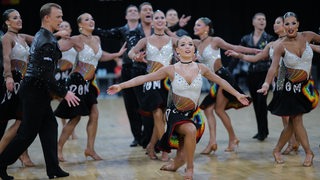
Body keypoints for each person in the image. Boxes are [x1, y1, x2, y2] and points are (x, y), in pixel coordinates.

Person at [107, 35, 250, 180]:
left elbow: (221, 81)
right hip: (175, 113)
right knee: (190, 130)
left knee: (181, 156)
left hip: (194, 115)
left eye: (190, 44)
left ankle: (174, 165)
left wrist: (238, 94)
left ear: (194, 50)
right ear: (177, 51)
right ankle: (190, 169)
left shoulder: (202, 69)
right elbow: (144, 78)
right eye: (183, 44)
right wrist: (120, 85)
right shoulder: (170, 69)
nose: (187, 46)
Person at [0, 3, 80, 180]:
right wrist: (64, 92)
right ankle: (1, 163)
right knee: (27, 134)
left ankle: (53, 169)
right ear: (47, 18)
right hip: (34, 89)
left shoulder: (44, 35)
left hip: (38, 89)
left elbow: (48, 65)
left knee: (50, 127)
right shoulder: (45, 39)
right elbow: (45, 73)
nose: (61, 20)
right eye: (58, 17)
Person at [54, 12, 126, 162]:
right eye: (87, 19)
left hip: (89, 83)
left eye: (92, 18)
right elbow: (55, 47)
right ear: (80, 25)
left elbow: (100, 56)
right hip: (76, 82)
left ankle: (90, 149)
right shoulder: (76, 39)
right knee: (75, 118)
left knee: (94, 114)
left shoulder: (97, 39)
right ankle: (58, 148)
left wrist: (116, 54)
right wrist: (55, 35)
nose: (91, 21)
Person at [225, 16, 302, 154]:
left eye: (278, 23)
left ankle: (295, 142)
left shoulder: (293, 40)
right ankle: (293, 142)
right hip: (278, 82)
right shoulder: (272, 44)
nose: (274, 25)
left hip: (290, 80)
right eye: (275, 23)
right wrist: (239, 56)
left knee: (292, 115)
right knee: (285, 114)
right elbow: (256, 58)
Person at [257, 12, 320, 167]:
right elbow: (273, 68)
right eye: (287, 24)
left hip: (305, 87)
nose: (290, 27)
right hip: (288, 88)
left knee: (292, 123)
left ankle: (277, 149)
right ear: (284, 26)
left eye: (293, 23)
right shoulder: (280, 45)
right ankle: (309, 153)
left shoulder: (308, 36)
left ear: (298, 24)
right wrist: (266, 84)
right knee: (296, 119)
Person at [193, 17, 256, 154]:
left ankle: (231, 139)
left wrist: (256, 51)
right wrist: (166, 29)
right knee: (209, 110)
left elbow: (235, 47)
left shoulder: (215, 41)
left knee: (218, 110)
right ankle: (213, 142)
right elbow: (175, 40)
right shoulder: (196, 43)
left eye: (199, 25)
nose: (195, 27)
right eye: (195, 25)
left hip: (223, 77)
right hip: (213, 81)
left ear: (207, 28)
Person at [128, 9, 178, 161]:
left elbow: (187, 45)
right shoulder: (146, 40)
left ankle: (151, 145)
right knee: (157, 114)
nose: (160, 20)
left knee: (162, 118)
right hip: (151, 82)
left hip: (168, 84)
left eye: (162, 17)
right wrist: (135, 56)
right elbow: (131, 51)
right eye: (157, 18)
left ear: (165, 21)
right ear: (153, 21)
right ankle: (165, 150)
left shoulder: (173, 40)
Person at [0, 9, 36, 168]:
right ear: (7, 22)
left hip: (23, 83)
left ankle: (22, 154)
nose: (19, 20)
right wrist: (7, 76)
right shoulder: (6, 37)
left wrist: (59, 35)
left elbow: (40, 39)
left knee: (22, 121)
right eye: (15, 18)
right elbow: (6, 58)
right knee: (18, 120)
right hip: (12, 82)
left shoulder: (22, 37)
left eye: (20, 17)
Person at [235, 12, 275, 141]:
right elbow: (238, 52)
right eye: (259, 19)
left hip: (265, 74)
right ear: (253, 22)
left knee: (262, 102)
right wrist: (228, 70)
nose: (262, 21)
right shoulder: (246, 38)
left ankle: (264, 131)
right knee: (256, 104)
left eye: (264, 19)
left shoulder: (270, 38)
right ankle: (260, 130)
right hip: (251, 75)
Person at [54, 20, 78, 140]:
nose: (63, 28)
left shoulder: (75, 44)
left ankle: (71, 131)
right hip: (59, 77)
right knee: (62, 103)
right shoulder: (56, 44)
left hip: (71, 77)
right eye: (61, 26)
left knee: (72, 105)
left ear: (70, 30)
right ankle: (65, 128)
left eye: (66, 26)